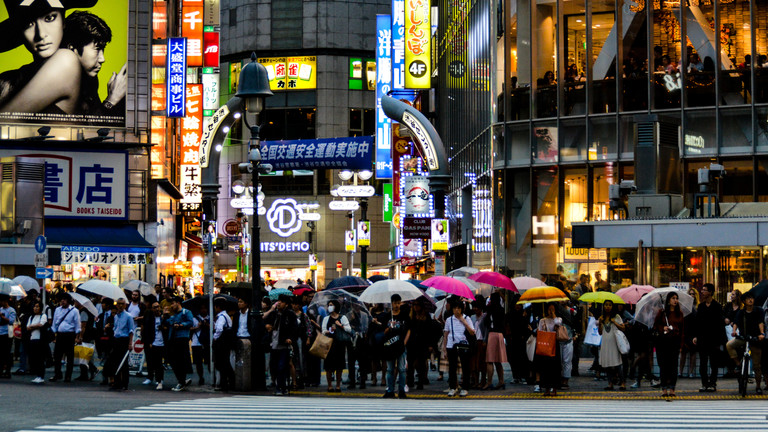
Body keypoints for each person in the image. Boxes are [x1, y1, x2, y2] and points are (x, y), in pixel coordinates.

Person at [0, 0, 96, 114]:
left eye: (49, 18)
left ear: (63, 21)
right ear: (19, 31)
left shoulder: (66, 61)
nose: (40, 34)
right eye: (28, 24)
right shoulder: (10, 79)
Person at [62, 10, 126, 116]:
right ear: (73, 49)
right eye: (97, 49)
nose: (102, 59)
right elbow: (84, 126)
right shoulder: (56, 81)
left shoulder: (90, 80)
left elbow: (93, 123)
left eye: (103, 49)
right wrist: (111, 100)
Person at [726, 291, 765, 394]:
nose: (750, 300)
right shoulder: (741, 312)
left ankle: (758, 386)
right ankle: (738, 364)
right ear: (744, 301)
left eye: (752, 298)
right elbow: (736, 323)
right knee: (729, 345)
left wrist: (762, 334)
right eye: (748, 299)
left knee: (757, 365)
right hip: (743, 337)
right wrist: (734, 331)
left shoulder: (759, 310)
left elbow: (761, 322)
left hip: (755, 338)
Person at [692, 283, 725, 392]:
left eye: (705, 290)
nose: (702, 292)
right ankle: (704, 383)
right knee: (703, 363)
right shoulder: (701, 306)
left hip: (714, 338)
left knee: (713, 363)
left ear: (710, 292)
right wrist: (696, 335)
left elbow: (720, 324)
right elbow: (697, 323)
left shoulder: (717, 306)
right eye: (702, 290)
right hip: (702, 338)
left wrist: (720, 340)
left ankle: (712, 383)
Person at [379, 294, 411, 399]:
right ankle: (390, 390)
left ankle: (401, 390)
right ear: (391, 303)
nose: (397, 305)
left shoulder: (404, 315)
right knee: (390, 369)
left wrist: (404, 342)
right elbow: (383, 332)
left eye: (398, 303)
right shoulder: (387, 316)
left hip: (401, 345)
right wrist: (389, 327)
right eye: (395, 303)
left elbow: (409, 330)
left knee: (402, 369)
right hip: (389, 346)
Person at [654, 292, 685, 397]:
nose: (675, 300)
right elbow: (656, 325)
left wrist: (681, 345)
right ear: (668, 300)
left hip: (674, 342)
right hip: (663, 342)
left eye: (676, 298)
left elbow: (682, 330)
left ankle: (672, 387)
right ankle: (664, 388)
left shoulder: (679, 314)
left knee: (673, 366)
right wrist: (663, 328)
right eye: (673, 298)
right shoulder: (662, 313)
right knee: (663, 365)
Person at [266, 294, 297, 395]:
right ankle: (279, 386)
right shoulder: (274, 314)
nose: (279, 303)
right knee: (274, 366)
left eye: (282, 302)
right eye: (278, 301)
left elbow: (294, 329)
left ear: (286, 304)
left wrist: (290, 339)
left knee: (282, 366)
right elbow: (265, 322)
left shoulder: (290, 315)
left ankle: (281, 387)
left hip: (284, 344)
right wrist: (267, 326)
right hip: (273, 343)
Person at [443, 299, 475, 397]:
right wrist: (444, 349)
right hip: (451, 344)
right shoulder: (449, 320)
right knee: (452, 367)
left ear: (462, 309)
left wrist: (464, 322)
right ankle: (453, 387)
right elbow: (446, 334)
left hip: (463, 345)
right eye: (455, 308)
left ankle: (465, 387)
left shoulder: (467, 318)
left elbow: (472, 332)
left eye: (459, 308)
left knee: (465, 367)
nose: (457, 310)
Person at [321, 299, 350, 393]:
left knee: (339, 366)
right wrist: (328, 331)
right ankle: (329, 385)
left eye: (331, 305)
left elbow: (348, 329)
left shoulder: (342, 317)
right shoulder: (326, 318)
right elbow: (323, 330)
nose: (329, 307)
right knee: (328, 366)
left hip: (340, 343)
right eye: (329, 305)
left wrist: (340, 325)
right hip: (329, 343)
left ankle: (338, 385)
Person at [165, 296, 193, 391]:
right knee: (173, 361)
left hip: (182, 338)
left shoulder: (186, 312)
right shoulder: (174, 315)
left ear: (178, 303)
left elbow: (190, 322)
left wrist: (181, 325)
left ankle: (181, 381)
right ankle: (182, 380)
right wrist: (165, 315)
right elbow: (168, 323)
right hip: (173, 338)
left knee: (181, 360)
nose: (172, 306)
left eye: (173, 303)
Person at [105, 297, 134, 390]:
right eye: (119, 304)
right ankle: (117, 383)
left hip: (124, 340)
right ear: (116, 305)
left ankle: (125, 383)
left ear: (125, 305)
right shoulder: (116, 316)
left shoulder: (128, 316)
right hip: (116, 340)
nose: (120, 306)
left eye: (122, 304)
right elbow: (116, 329)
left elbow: (131, 331)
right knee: (115, 362)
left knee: (124, 363)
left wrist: (130, 343)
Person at [49, 293, 80, 382]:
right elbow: (55, 322)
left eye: (64, 299)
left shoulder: (74, 311)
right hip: (59, 334)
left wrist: (77, 336)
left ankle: (68, 376)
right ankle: (57, 374)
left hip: (70, 335)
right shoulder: (57, 310)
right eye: (61, 299)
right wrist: (54, 334)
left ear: (68, 301)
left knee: (69, 356)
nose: (62, 301)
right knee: (57, 356)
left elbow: (77, 324)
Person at [598, 300, 626, 391]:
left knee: (617, 363)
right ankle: (610, 383)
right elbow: (600, 332)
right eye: (606, 305)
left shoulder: (616, 317)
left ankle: (622, 383)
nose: (608, 307)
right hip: (605, 342)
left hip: (614, 342)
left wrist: (615, 322)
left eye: (609, 305)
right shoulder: (602, 318)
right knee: (607, 363)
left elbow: (623, 328)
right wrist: (599, 323)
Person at [406, 300, 433, 391]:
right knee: (410, 363)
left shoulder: (426, 317)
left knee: (421, 364)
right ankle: (410, 381)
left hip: (422, 343)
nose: (415, 307)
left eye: (417, 305)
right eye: (414, 305)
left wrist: (430, 344)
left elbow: (430, 331)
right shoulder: (410, 316)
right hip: (411, 342)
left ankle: (421, 382)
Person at [536, 303, 561, 396]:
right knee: (545, 367)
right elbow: (539, 331)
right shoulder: (542, 320)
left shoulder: (558, 319)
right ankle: (546, 388)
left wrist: (553, 315)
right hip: (546, 345)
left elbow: (558, 324)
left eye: (553, 309)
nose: (551, 311)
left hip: (554, 345)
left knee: (555, 367)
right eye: (549, 309)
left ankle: (554, 388)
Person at [483, 292, 507, 390]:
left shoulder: (489, 309)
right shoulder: (501, 310)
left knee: (490, 360)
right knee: (498, 361)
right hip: (500, 335)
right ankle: (501, 381)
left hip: (492, 334)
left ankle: (489, 382)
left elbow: (486, 322)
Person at [141, 301, 166, 390]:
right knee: (150, 360)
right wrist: (145, 339)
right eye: (154, 307)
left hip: (161, 342)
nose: (157, 309)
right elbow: (144, 327)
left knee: (159, 362)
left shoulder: (163, 316)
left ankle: (160, 379)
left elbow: (167, 327)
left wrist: (162, 326)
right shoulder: (149, 316)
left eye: (158, 307)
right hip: (151, 342)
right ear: (152, 309)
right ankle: (150, 377)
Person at [212, 298, 235, 392]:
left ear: (218, 307)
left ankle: (226, 383)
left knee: (222, 363)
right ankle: (227, 382)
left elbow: (219, 329)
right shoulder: (226, 316)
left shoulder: (221, 317)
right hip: (226, 342)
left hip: (221, 343)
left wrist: (215, 337)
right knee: (225, 363)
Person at [25, 301, 47, 383]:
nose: (36, 308)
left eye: (37, 306)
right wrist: (34, 326)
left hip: (40, 340)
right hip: (32, 339)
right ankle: (37, 375)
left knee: (40, 358)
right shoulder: (31, 317)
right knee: (34, 358)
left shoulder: (43, 316)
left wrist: (32, 326)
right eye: (35, 306)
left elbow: (41, 325)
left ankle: (41, 376)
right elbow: (27, 327)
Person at [189, 304, 209, 386]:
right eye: (202, 308)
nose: (203, 310)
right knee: (198, 362)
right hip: (196, 342)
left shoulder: (211, 317)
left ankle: (213, 377)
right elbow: (190, 328)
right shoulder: (194, 319)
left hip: (207, 342)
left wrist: (207, 325)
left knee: (209, 361)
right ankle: (201, 377)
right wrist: (198, 326)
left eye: (205, 308)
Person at [0, 294, 16, 378]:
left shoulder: (11, 310)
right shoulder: (0, 309)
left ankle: (7, 370)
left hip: (7, 334)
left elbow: (11, 321)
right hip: (0, 332)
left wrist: (2, 316)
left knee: (7, 353)